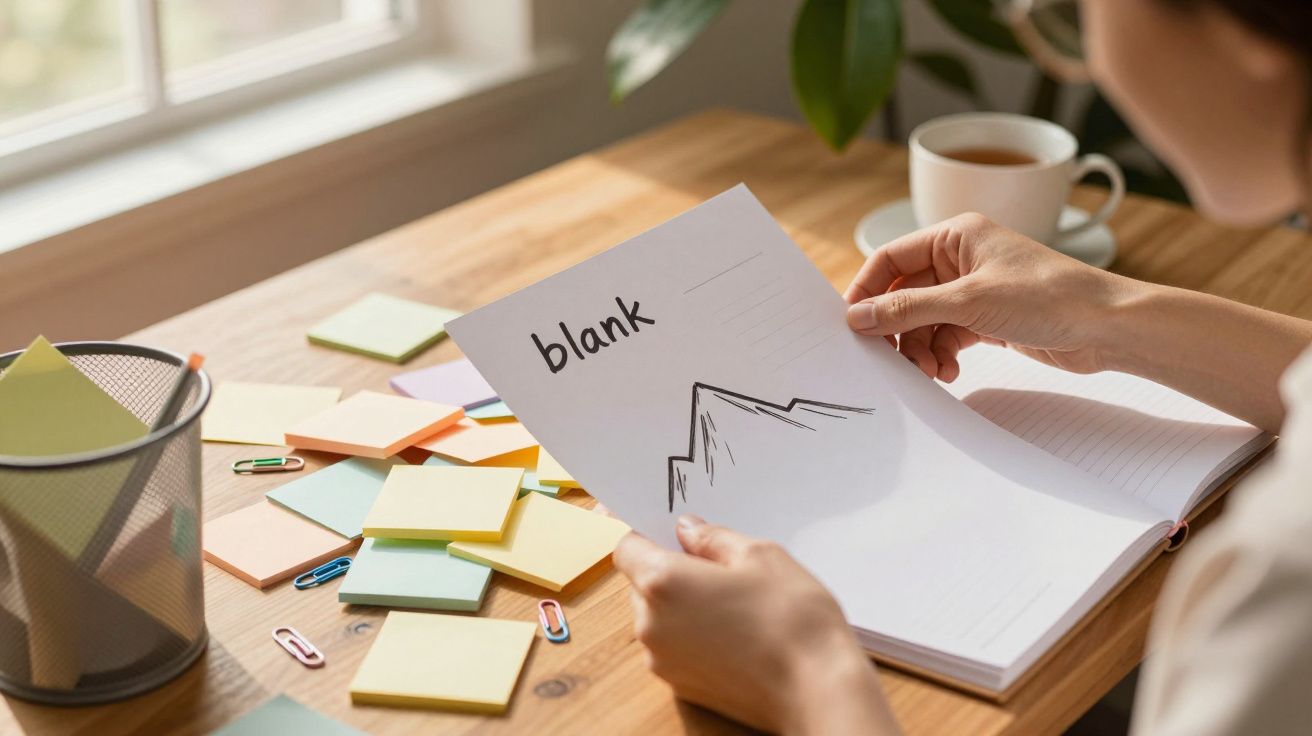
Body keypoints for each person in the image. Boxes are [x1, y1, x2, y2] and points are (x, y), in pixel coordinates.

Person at [612, 0, 1312, 733]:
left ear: (1245, 32)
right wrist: (1103, 314)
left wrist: (808, 678)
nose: (1095, 57)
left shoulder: (1284, 582)